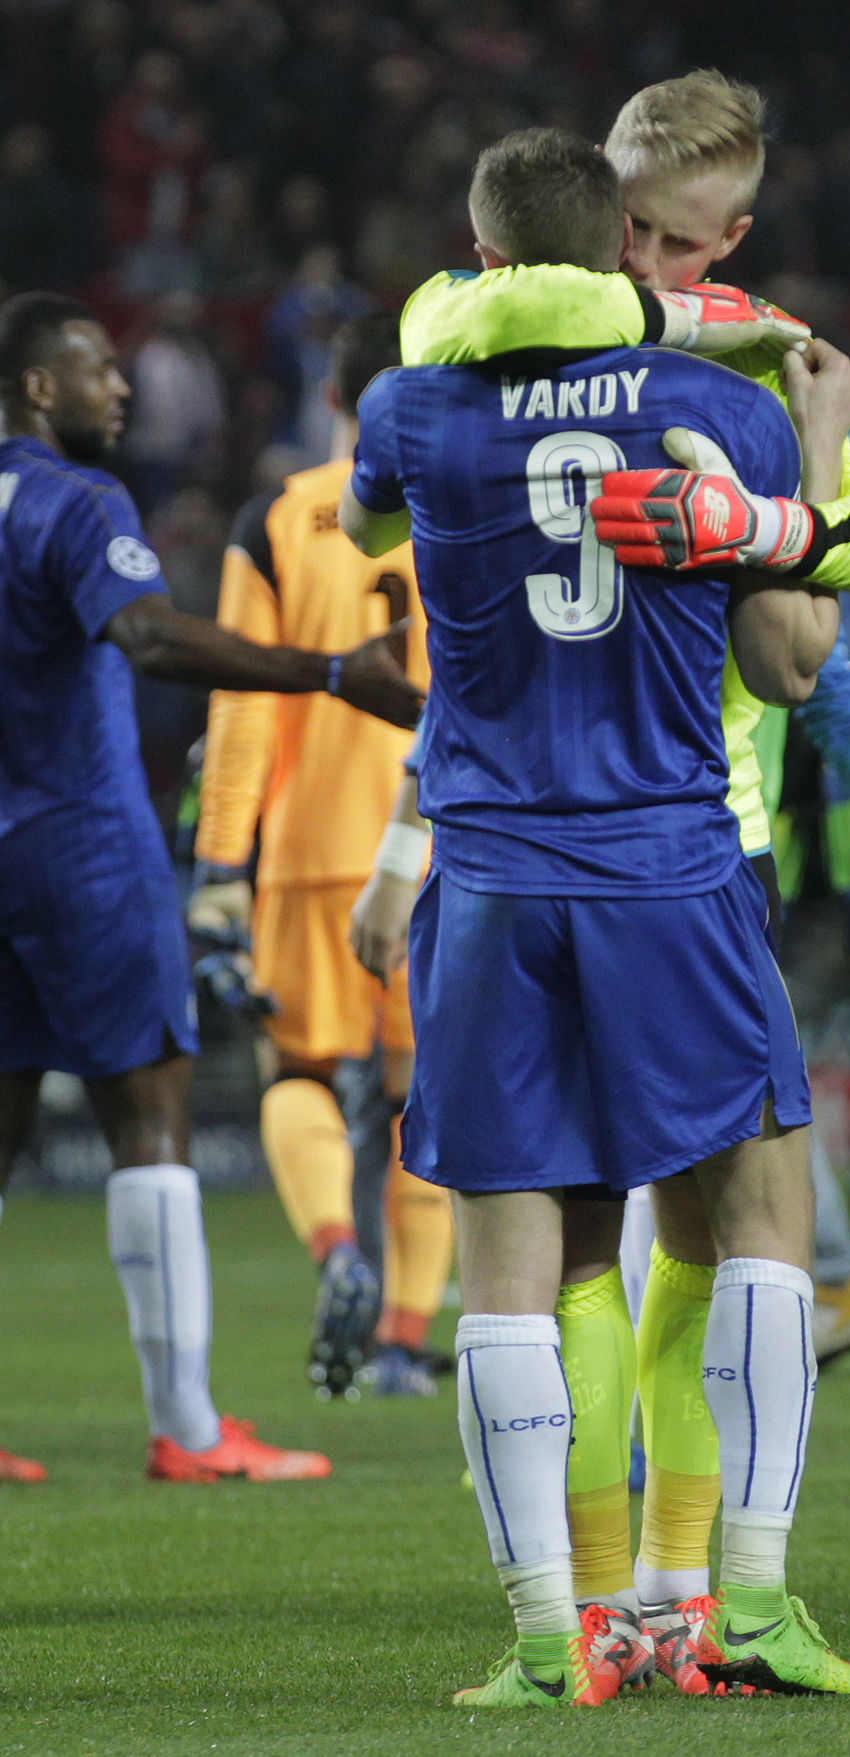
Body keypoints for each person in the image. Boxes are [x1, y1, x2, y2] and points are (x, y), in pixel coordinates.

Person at [363, 69, 850, 1697]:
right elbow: (830, 594)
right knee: (671, 1236)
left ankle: (651, 1598)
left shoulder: (450, 373)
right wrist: (778, 494)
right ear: (585, 205)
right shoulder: (719, 377)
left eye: (674, 240)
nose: (640, 259)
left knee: (624, 1252)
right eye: (620, 224)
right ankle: (651, 1600)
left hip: (622, 836)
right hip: (662, 841)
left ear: (728, 235)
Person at [0, 291, 421, 1482]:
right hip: (82, 841)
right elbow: (147, 637)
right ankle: (189, 1427)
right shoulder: (79, 500)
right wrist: (333, 671)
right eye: (96, 369)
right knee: (152, 1109)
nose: (121, 388)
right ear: (39, 389)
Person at [187, 311, 453, 1401]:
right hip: (439, 844)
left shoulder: (281, 517)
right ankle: (399, 1343)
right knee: (425, 1099)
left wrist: (218, 866)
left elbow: (242, 704)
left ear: (336, 401)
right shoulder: (463, 511)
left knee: (295, 1072)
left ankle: (337, 1249)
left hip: (305, 853)